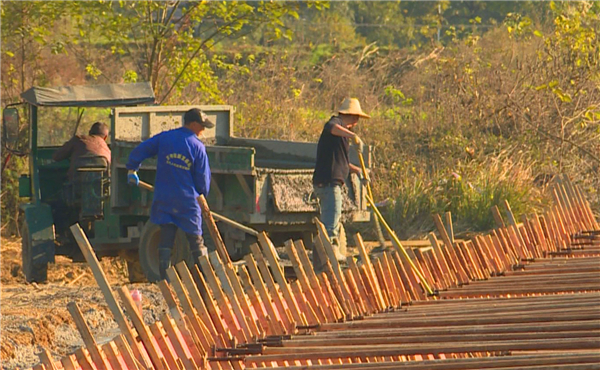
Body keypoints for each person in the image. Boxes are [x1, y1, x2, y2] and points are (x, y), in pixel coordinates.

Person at [126, 108, 214, 281]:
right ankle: (204, 281)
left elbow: (141, 150)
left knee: (166, 239)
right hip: (187, 201)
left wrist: (132, 169)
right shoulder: (197, 147)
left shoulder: (165, 138)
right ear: (194, 124)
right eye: (202, 126)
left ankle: (164, 281)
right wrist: (201, 193)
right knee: (196, 241)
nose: (203, 130)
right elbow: (203, 180)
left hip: (164, 197)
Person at [313, 98, 370, 261]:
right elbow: (330, 127)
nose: (356, 122)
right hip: (329, 183)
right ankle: (330, 253)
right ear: (352, 116)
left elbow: (342, 162)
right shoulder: (335, 123)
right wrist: (353, 136)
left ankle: (330, 252)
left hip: (332, 182)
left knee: (334, 219)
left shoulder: (341, 136)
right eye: (356, 119)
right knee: (331, 221)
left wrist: (358, 171)